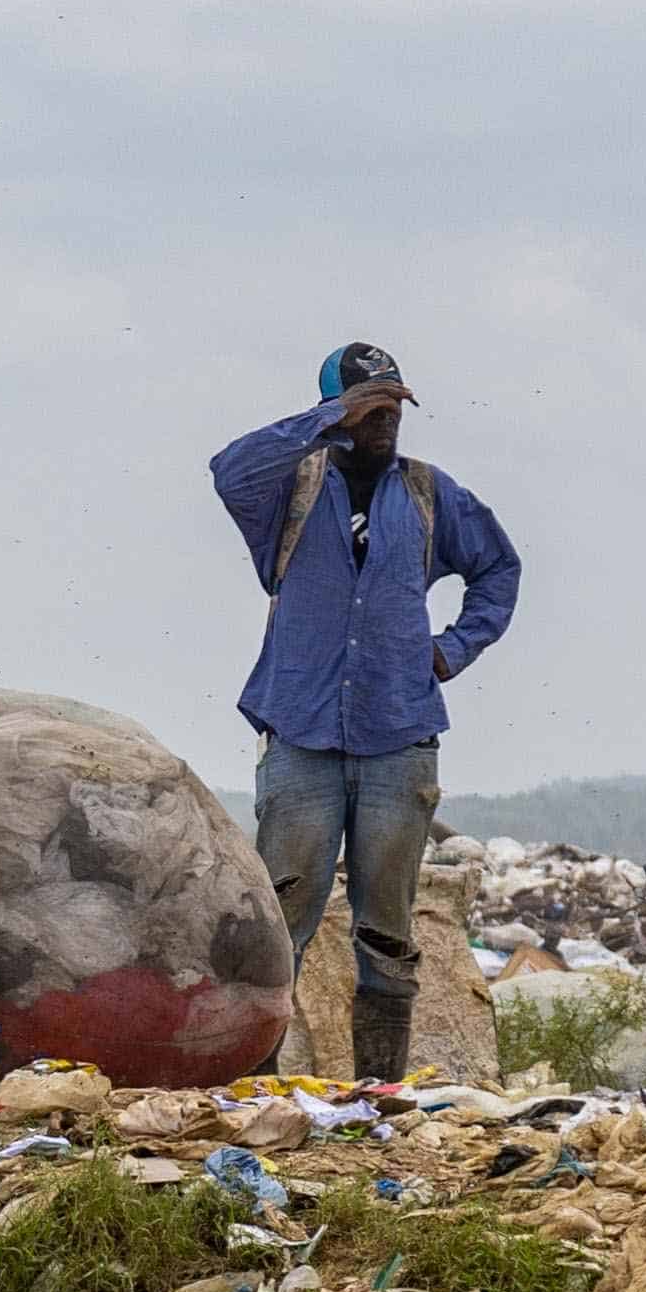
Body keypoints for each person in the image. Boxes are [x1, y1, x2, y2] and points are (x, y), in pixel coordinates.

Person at [205, 342, 519, 1082]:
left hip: (398, 735)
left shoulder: (427, 496)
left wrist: (452, 649)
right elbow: (228, 470)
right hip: (301, 735)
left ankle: (380, 1095)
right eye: (372, 408)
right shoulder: (293, 488)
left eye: (394, 408)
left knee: (386, 931)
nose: (387, 424)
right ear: (337, 411)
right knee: (282, 924)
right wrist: (325, 421)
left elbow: (499, 568)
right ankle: (256, 1089)